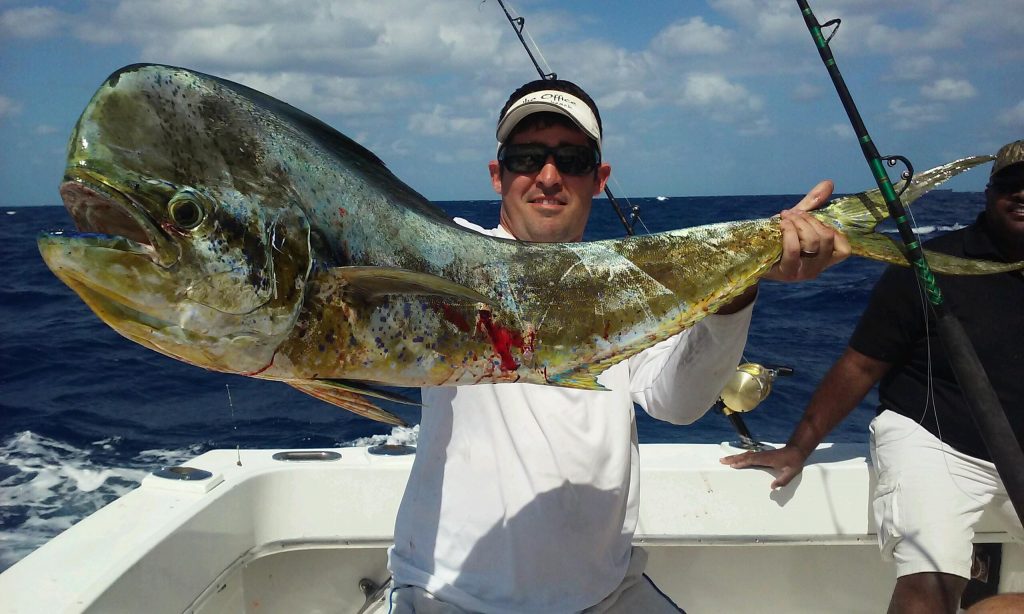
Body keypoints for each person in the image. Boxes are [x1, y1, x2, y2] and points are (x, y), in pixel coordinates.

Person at [386, 78, 848, 613]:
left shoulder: (625, 287)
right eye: (527, 157)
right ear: (498, 176)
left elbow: (676, 403)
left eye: (573, 159)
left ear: (599, 179)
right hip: (450, 596)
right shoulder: (444, 258)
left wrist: (737, 287)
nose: (549, 176)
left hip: (606, 594)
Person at [722, 139, 1024, 614]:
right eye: (1012, 182)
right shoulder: (927, 266)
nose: (1023, 193)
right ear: (989, 191)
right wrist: (799, 447)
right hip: (937, 442)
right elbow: (861, 364)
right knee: (927, 590)